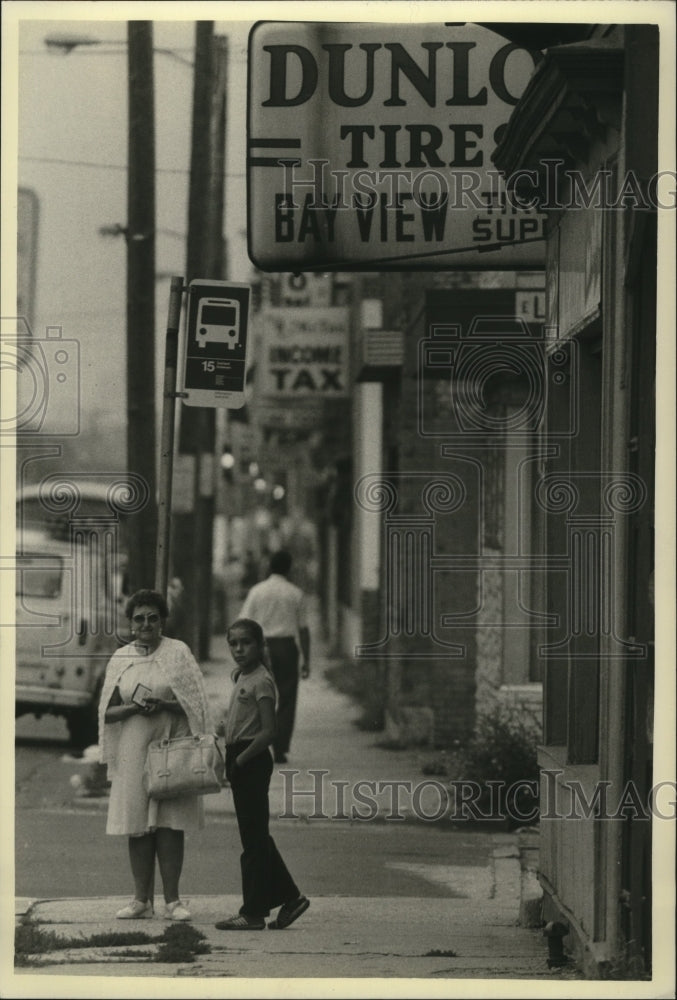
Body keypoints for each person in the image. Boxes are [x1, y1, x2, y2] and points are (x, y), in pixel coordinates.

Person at [98, 588, 212, 922]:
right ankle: (140, 900)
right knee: (138, 825)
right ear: (130, 624)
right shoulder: (121, 658)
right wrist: (134, 707)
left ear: (162, 620)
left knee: (169, 823)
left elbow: (197, 705)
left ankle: (173, 901)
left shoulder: (178, 653)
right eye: (139, 619)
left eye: (153, 618)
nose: (146, 624)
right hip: (133, 748)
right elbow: (105, 712)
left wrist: (165, 705)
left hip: (171, 746)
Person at [215, 617, 309, 931]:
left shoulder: (262, 680)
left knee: (253, 844)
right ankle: (291, 897)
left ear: (260, 645)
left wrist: (240, 760)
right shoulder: (242, 676)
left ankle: (253, 912)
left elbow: (269, 732)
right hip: (239, 758)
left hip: (251, 761)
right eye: (233, 643)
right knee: (256, 838)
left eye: (246, 643)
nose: (239, 649)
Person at [240, 550, 310, 763]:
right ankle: (279, 748)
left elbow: (243, 622)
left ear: (269, 566)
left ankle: (256, 744)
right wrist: (307, 659)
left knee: (259, 696)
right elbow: (304, 629)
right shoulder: (296, 593)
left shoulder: (257, 591)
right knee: (287, 698)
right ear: (289, 569)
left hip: (261, 648)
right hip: (286, 648)